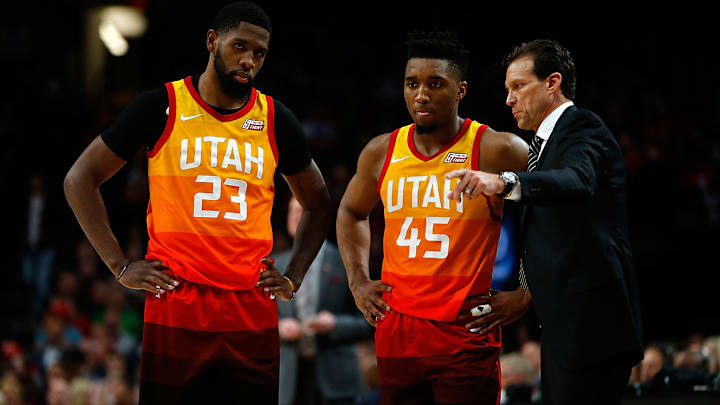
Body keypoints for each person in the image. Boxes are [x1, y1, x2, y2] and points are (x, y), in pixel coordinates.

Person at [63, 3, 331, 404]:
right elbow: (79, 180)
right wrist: (119, 266)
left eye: (259, 53)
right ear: (212, 41)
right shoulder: (161, 105)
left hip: (248, 308)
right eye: (240, 46)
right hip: (177, 302)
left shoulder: (275, 119)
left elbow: (320, 203)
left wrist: (292, 276)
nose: (249, 61)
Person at [336, 31, 528, 405]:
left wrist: (526, 292)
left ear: (461, 90)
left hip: (466, 330)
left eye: (434, 84)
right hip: (398, 331)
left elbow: (557, 209)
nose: (421, 95)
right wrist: (358, 281)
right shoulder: (381, 151)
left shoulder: (496, 148)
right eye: (412, 84)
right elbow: (350, 211)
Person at [455, 39, 644, 404]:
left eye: (518, 86)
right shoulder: (544, 146)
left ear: (552, 83)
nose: (509, 99)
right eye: (507, 89)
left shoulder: (581, 126)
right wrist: (526, 295)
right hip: (566, 326)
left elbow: (578, 181)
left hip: (593, 328)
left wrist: (505, 181)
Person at [276, 197, 373, 405]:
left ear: (319, 219)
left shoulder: (345, 262)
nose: (294, 218)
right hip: (289, 378)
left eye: (301, 211)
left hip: (336, 377)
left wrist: (336, 324)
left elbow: (369, 321)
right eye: (291, 211)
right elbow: (257, 321)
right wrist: (278, 327)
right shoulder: (275, 265)